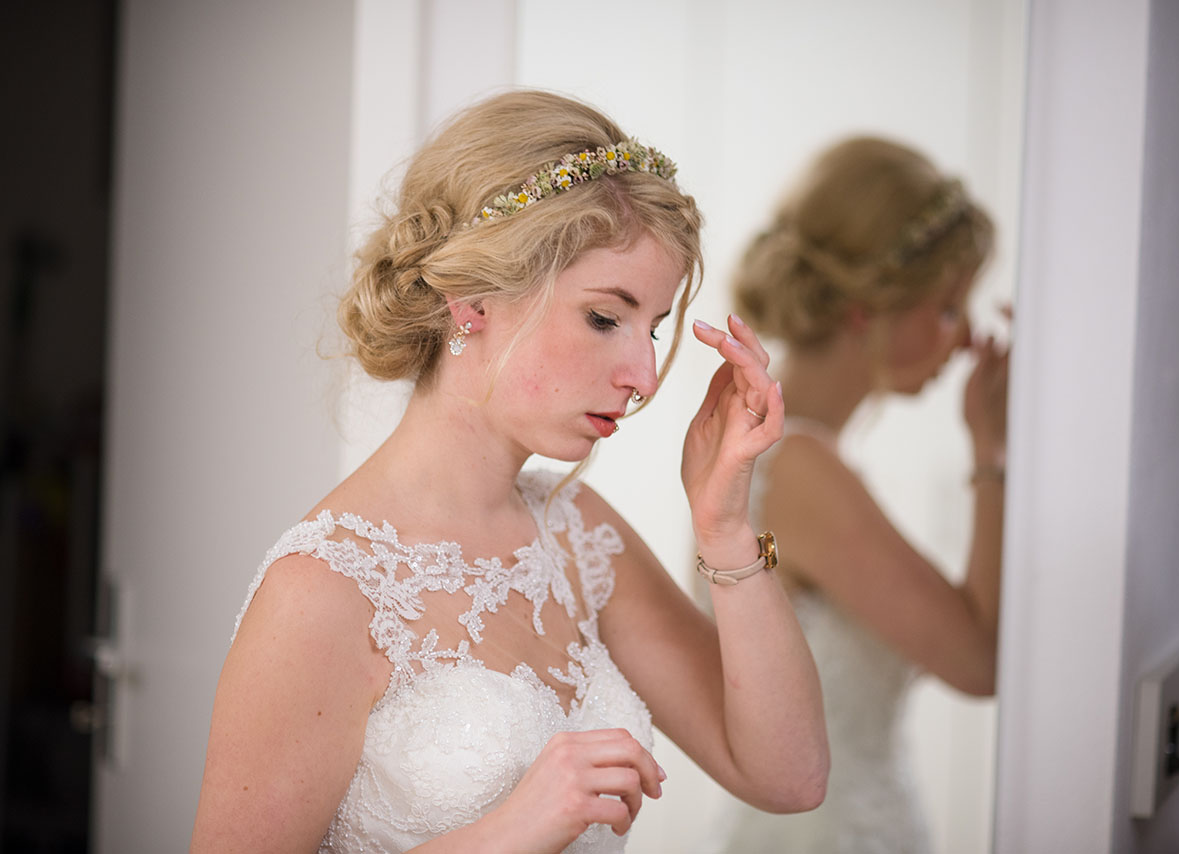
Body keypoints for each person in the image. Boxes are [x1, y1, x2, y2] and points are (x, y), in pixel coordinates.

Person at [189, 89, 828, 853]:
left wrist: (723, 526)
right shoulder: (322, 590)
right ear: (472, 301)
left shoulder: (580, 536)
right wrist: (513, 830)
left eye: (653, 329)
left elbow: (790, 778)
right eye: (604, 317)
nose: (644, 376)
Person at [709, 136, 1008, 853]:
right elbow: (979, 660)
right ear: (866, 310)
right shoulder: (803, 469)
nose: (967, 337)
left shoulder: (784, 446)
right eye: (946, 307)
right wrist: (993, 453)